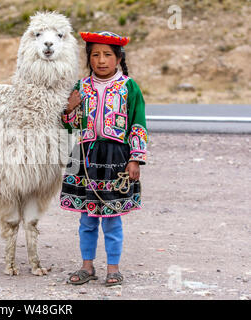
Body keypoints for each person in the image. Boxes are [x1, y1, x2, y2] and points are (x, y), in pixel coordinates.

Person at [60, 31, 148, 286]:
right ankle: (87, 266)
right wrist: (68, 109)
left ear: (118, 58)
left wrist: (135, 159)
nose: (101, 60)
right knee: (87, 218)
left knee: (111, 218)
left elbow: (138, 123)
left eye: (107, 54)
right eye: (95, 54)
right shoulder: (80, 87)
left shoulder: (128, 87)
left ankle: (113, 268)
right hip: (84, 158)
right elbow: (69, 128)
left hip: (116, 158)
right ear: (89, 58)